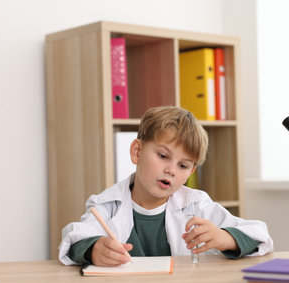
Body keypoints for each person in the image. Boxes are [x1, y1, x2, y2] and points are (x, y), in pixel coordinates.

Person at [59, 106, 273, 266]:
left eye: (183, 165)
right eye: (163, 156)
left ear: (190, 172)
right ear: (137, 151)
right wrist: (94, 250)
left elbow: (259, 235)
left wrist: (226, 238)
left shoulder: (197, 206)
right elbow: (75, 238)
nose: (171, 170)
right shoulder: (107, 204)